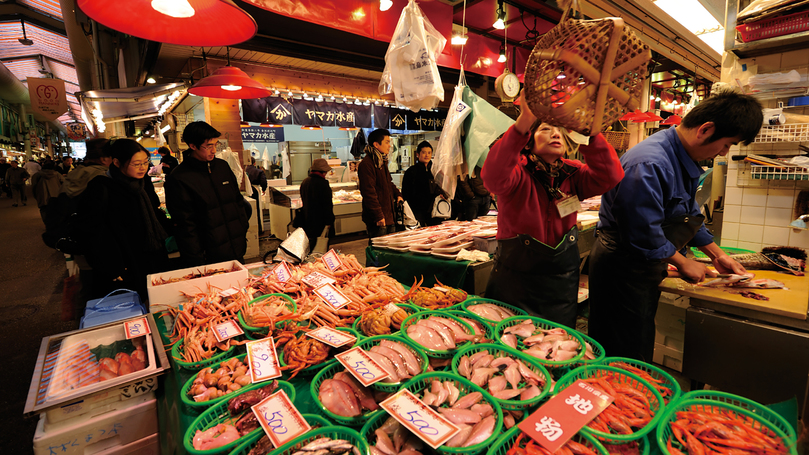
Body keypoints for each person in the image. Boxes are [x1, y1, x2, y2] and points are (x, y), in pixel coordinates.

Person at [588, 91, 763, 362]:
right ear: (705, 130)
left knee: (639, 339)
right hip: (621, 266)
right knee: (622, 349)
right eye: (728, 144)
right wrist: (683, 262)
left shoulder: (681, 156)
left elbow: (687, 213)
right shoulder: (649, 163)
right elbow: (643, 233)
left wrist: (718, 255)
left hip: (643, 262)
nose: (725, 152)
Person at [480, 90, 624, 329]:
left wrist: (588, 133)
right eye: (545, 128)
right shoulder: (518, 173)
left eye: (559, 130)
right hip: (515, 283)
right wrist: (523, 122)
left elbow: (611, 175)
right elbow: (492, 177)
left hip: (560, 287)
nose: (555, 133)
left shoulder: (573, 174)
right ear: (530, 139)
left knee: (557, 350)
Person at [78, 139, 169, 302]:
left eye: (145, 162)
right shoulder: (100, 187)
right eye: (136, 164)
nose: (143, 168)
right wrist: (113, 268)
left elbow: (155, 212)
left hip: (153, 256)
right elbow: (92, 231)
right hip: (125, 264)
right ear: (117, 162)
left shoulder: (144, 183)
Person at [165, 121, 249, 266]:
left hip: (236, 248)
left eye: (216, 145)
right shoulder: (179, 178)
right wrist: (196, 257)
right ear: (192, 146)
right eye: (208, 146)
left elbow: (237, 201)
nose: (213, 150)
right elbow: (185, 224)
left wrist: (242, 229)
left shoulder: (222, 167)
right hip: (207, 257)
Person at [358, 128, 403, 239]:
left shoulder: (382, 161)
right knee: (378, 252)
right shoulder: (367, 164)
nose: (389, 146)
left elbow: (389, 183)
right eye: (387, 142)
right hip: (378, 218)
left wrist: (398, 194)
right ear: (376, 144)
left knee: (390, 251)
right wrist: (378, 216)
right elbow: (369, 193)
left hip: (389, 215)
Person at [402, 141, 447, 227]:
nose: (427, 155)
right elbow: (406, 192)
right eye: (424, 152)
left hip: (436, 210)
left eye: (429, 152)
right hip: (418, 211)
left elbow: (442, 186)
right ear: (418, 154)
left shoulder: (436, 171)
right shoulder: (411, 171)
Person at [299, 158, 336, 251]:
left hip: (307, 220)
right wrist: (329, 222)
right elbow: (327, 205)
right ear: (323, 171)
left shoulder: (305, 182)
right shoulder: (323, 184)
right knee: (321, 249)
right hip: (321, 223)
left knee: (310, 247)